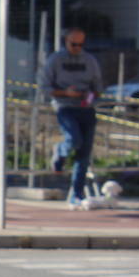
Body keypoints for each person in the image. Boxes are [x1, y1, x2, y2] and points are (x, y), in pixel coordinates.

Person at [39, 27, 102, 206]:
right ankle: (60, 152)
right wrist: (66, 93)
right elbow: (45, 87)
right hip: (65, 107)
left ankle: (77, 193)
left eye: (81, 44)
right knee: (74, 139)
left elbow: (98, 86)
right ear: (66, 42)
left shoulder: (90, 60)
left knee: (84, 154)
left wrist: (90, 95)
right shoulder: (55, 60)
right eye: (73, 44)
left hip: (86, 108)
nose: (77, 48)